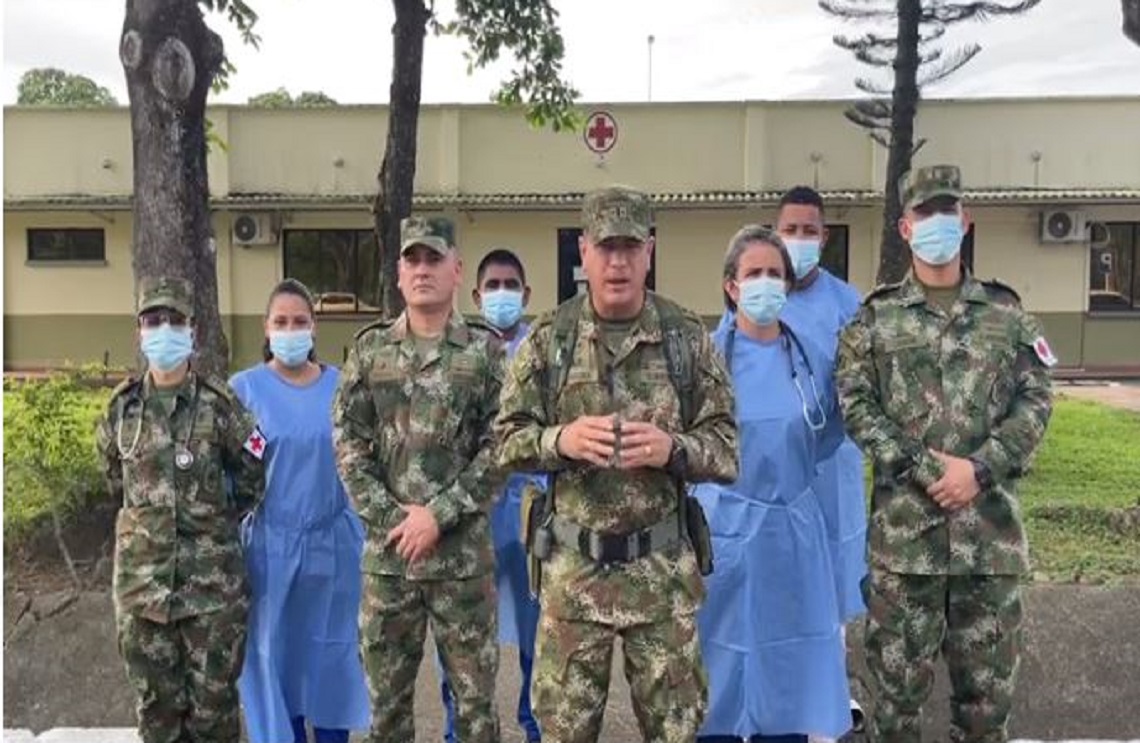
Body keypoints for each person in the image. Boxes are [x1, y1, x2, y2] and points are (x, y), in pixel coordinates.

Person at [495, 186, 739, 743]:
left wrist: (674, 450)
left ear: (649, 251)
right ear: (584, 251)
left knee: (676, 733)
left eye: (631, 247)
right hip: (574, 578)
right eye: (607, 248)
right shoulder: (550, 340)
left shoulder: (685, 338)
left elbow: (727, 447)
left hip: (661, 578)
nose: (619, 262)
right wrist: (561, 439)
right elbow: (504, 442)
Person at [835, 165, 1055, 743]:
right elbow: (855, 405)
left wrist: (980, 470)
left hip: (989, 546)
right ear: (905, 227)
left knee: (986, 713)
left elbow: (1036, 400)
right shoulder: (875, 319)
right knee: (894, 713)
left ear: (966, 220)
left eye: (947, 211)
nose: (937, 222)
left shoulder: (1006, 314)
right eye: (925, 213)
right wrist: (928, 469)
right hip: (906, 550)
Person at [332, 216, 506, 743]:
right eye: (413, 259)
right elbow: (348, 445)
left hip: (462, 564)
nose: (423, 269)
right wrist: (397, 521)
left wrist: (438, 516)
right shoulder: (370, 351)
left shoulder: (486, 352)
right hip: (391, 563)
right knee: (386, 714)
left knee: (476, 711)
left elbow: (502, 448)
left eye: (434, 258)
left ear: (457, 269)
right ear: (399, 272)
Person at [695, 226, 852, 743]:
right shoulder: (705, 363)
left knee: (789, 670)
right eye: (753, 273)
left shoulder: (812, 361)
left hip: (792, 536)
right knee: (719, 667)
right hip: (724, 533)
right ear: (731, 286)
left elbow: (827, 434)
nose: (765, 283)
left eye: (775, 274)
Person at [95, 276, 266, 743]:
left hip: (213, 593)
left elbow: (252, 476)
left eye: (174, 319)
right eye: (153, 320)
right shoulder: (121, 410)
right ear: (139, 331)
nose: (163, 329)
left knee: (215, 716)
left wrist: (211, 526)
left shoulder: (222, 406)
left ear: (194, 330)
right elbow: (114, 478)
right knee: (157, 718)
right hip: (143, 592)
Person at [231, 278, 370, 743]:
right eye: (281, 322)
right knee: (275, 664)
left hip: (334, 547)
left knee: (333, 662)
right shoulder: (244, 391)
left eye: (299, 321)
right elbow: (227, 471)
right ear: (266, 328)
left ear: (314, 327)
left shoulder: (342, 387)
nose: (290, 331)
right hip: (270, 550)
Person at [437, 249, 543, 743]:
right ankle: (460, 730)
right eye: (493, 286)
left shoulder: (544, 352)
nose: (503, 294)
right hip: (475, 513)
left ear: (526, 294)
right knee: (464, 636)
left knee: (539, 634)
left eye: (511, 285)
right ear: (477, 297)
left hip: (530, 510)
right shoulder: (457, 353)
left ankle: (536, 725)